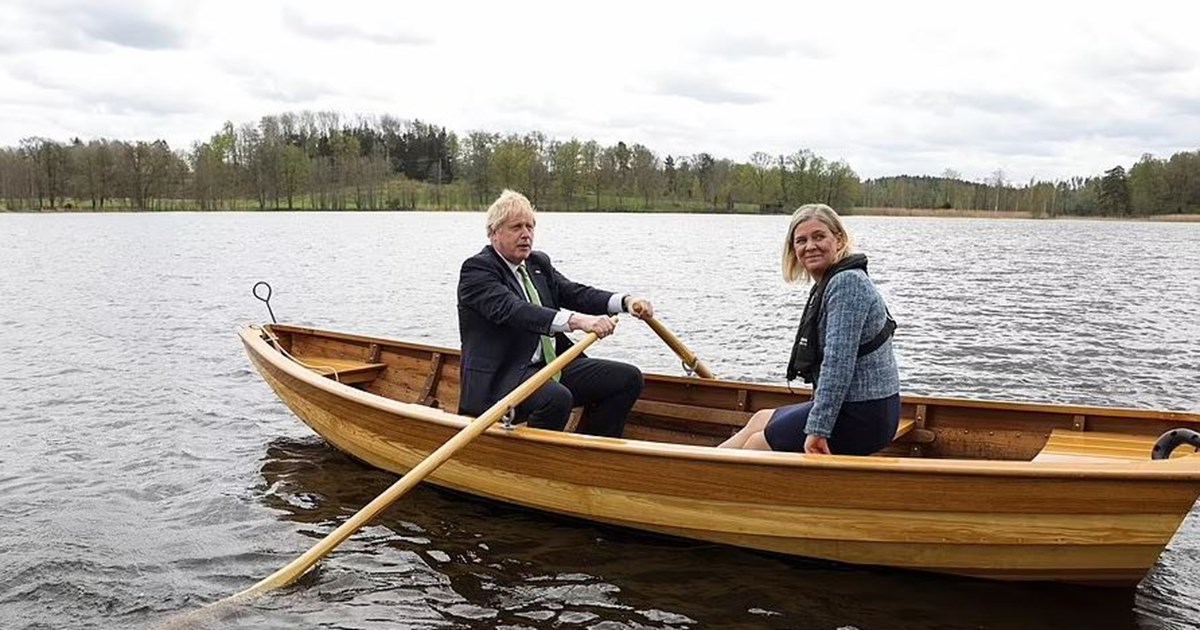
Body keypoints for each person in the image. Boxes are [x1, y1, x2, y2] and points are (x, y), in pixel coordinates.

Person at [456, 189, 654, 437]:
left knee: (627, 379)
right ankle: (535, 467)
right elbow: (515, 310)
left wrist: (625, 302)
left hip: (550, 365)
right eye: (516, 227)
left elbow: (576, 293)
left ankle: (594, 452)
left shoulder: (537, 264)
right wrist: (577, 322)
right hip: (502, 377)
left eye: (530, 227)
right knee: (556, 398)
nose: (526, 235)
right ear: (495, 233)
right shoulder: (477, 270)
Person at [719, 203, 900, 455]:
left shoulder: (847, 284)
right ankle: (693, 470)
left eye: (819, 237)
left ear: (839, 240)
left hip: (864, 415)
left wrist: (818, 429)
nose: (809, 246)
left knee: (757, 444)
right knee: (760, 418)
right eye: (801, 240)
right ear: (793, 249)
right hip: (859, 407)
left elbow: (838, 365)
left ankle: (715, 488)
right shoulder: (831, 281)